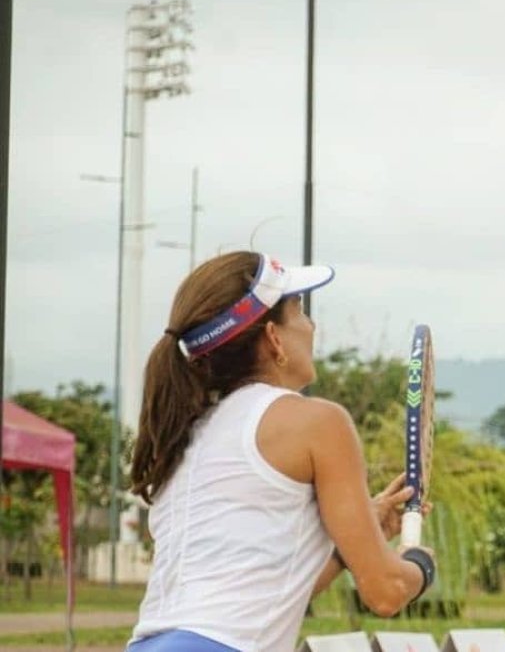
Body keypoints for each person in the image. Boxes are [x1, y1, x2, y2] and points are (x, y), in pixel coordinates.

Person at [126, 252, 436, 652]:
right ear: (274, 337)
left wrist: (349, 548)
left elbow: (265, 593)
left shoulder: (186, 435)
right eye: (301, 311)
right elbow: (387, 591)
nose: (312, 326)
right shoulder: (318, 422)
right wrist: (419, 564)